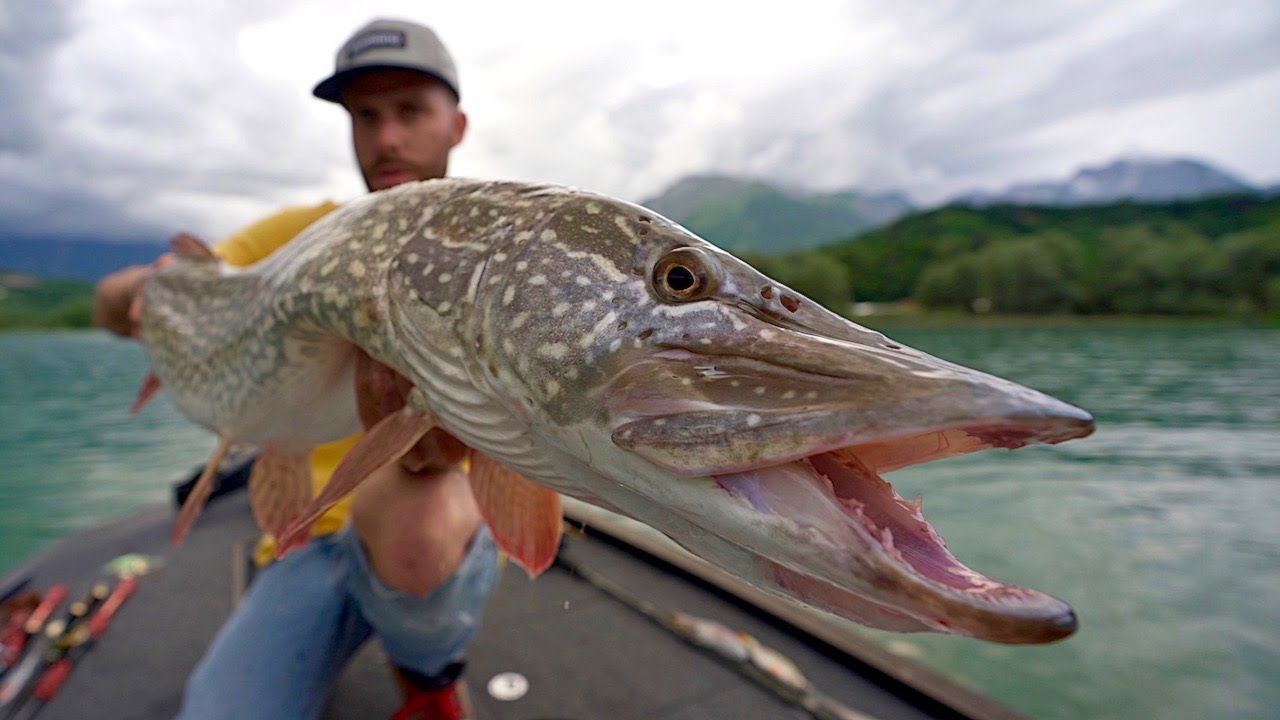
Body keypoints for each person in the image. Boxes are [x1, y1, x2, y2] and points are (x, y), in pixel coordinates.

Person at [93, 19, 497, 720]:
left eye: (410, 111)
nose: (387, 138)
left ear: (456, 125)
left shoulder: (492, 246)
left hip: (428, 525)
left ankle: (428, 678)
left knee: (418, 527)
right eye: (365, 116)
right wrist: (145, 293)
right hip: (309, 536)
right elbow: (112, 300)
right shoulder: (298, 237)